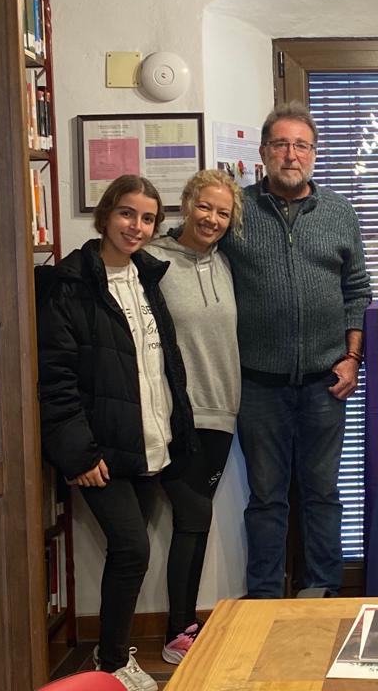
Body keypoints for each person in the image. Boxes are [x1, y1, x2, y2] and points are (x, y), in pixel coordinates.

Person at [36, 175, 194, 691]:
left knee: (130, 552)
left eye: (147, 218)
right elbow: (56, 378)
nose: (137, 226)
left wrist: (176, 431)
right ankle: (110, 664)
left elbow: (158, 365)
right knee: (132, 549)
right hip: (100, 451)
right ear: (105, 215)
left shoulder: (147, 277)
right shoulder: (71, 284)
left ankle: (112, 657)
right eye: (127, 214)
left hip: (150, 444)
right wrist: (78, 453)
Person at [221, 101, 372, 598]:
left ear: (314, 154)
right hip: (257, 384)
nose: (291, 154)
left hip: (325, 383)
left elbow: (357, 291)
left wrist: (352, 358)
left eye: (301, 145)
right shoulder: (237, 211)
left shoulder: (339, 212)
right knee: (266, 499)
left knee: (323, 497)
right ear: (263, 152)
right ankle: (263, 599)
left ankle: (324, 592)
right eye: (281, 144)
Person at [144, 169, 242, 665]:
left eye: (223, 212)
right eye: (205, 207)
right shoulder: (153, 260)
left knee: (194, 521)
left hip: (222, 415)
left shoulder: (226, 265)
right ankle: (178, 631)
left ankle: (184, 627)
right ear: (186, 204)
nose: (212, 219)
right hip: (176, 416)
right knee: (192, 516)